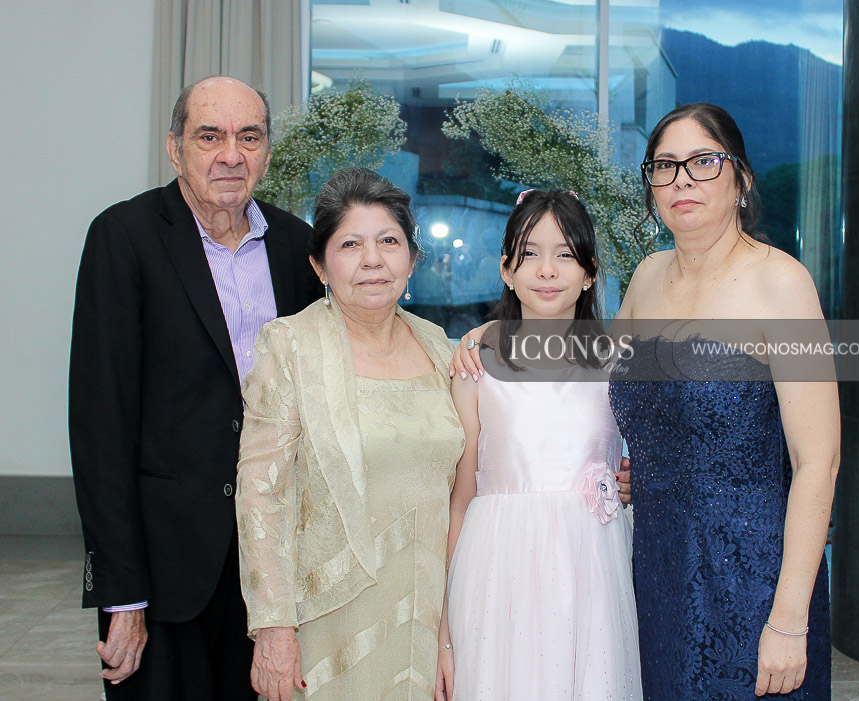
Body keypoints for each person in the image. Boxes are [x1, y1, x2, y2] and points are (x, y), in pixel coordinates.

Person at [69, 76, 320, 700]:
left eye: (249, 137)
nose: (231, 155)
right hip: (165, 571)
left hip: (275, 568)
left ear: (267, 152)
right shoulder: (123, 237)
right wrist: (123, 593)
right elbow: (101, 425)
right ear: (174, 148)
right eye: (210, 136)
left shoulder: (297, 246)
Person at [607, 103, 837, 699]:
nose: (682, 179)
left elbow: (818, 462)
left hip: (754, 579)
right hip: (658, 567)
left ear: (742, 179)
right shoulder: (647, 277)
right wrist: (492, 337)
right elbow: (590, 379)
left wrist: (788, 619)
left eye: (703, 161)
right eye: (665, 165)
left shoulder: (780, 282)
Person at [235, 166, 466, 701]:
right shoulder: (290, 345)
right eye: (350, 244)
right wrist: (273, 627)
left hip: (428, 611)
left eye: (389, 241)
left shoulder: (440, 347)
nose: (372, 260)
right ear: (319, 265)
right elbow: (262, 495)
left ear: (412, 258)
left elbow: (470, 478)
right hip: (327, 618)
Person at [436, 190, 642, 700]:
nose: (547, 270)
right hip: (497, 569)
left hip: (591, 569)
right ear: (506, 270)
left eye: (565, 254)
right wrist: (444, 632)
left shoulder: (619, 363)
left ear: (590, 272)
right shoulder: (476, 364)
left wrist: (632, 480)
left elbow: (648, 456)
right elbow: (459, 500)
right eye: (530, 254)